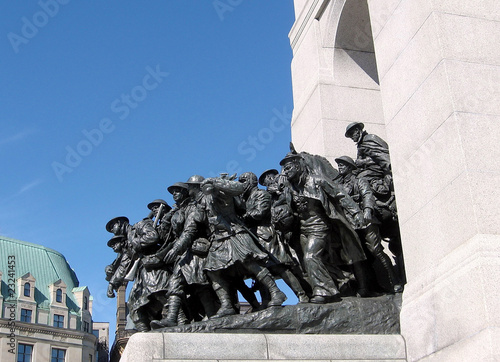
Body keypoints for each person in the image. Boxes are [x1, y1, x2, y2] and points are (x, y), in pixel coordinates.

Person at [279, 152, 368, 303]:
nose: (285, 172)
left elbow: (340, 195)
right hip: (302, 229)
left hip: (319, 225)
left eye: (288, 168)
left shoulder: (317, 181)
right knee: (309, 262)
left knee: (311, 256)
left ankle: (325, 291)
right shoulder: (290, 188)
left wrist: (357, 213)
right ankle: (342, 282)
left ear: (298, 166)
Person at [200, 175, 287, 318]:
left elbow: (238, 188)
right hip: (219, 238)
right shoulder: (204, 201)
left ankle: (276, 292)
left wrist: (217, 181)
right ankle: (226, 304)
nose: (206, 190)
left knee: (251, 263)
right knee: (212, 271)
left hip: (235, 233)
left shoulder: (224, 192)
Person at [150, 182, 217, 328]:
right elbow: (166, 237)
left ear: (185, 193)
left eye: (177, 191)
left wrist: (176, 249)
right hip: (183, 253)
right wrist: (166, 221)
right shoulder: (176, 212)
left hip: (194, 251)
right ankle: (172, 318)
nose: (174, 194)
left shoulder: (192, 208)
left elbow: (190, 231)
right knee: (176, 283)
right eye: (172, 192)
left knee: (201, 286)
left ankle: (212, 316)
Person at [238, 172, 309, 304]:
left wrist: (245, 217)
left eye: (243, 181)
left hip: (266, 235)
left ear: (251, 181)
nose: (241, 184)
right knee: (260, 271)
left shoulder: (261, 194)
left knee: (279, 267)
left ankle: (302, 294)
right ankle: (266, 300)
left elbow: (259, 213)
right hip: (254, 237)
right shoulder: (246, 199)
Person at [335, 156, 403, 293]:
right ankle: (365, 287)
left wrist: (367, 210)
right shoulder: (339, 186)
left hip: (366, 220)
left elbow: (367, 195)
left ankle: (395, 282)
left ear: (350, 167)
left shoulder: (359, 180)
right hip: (350, 223)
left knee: (376, 250)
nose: (339, 167)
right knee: (357, 256)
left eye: (342, 165)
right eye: (339, 165)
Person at [105, 215, 170, 332]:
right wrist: (112, 283)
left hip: (154, 267)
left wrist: (137, 242)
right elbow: (124, 264)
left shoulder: (140, 226)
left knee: (158, 293)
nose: (112, 231)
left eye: (112, 227)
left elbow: (153, 236)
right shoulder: (127, 241)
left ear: (120, 223)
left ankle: (178, 318)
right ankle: (145, 334)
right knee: (133, 304)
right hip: (143, 273)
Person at [105, 234, 131, 298]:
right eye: (111, 245)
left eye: (114, 243)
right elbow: (115, 265)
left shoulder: (128, 251)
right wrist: (108, 268)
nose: (112, 246)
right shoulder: (121, 254)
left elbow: (123, 267)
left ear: (122, 242)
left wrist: (111, 284)